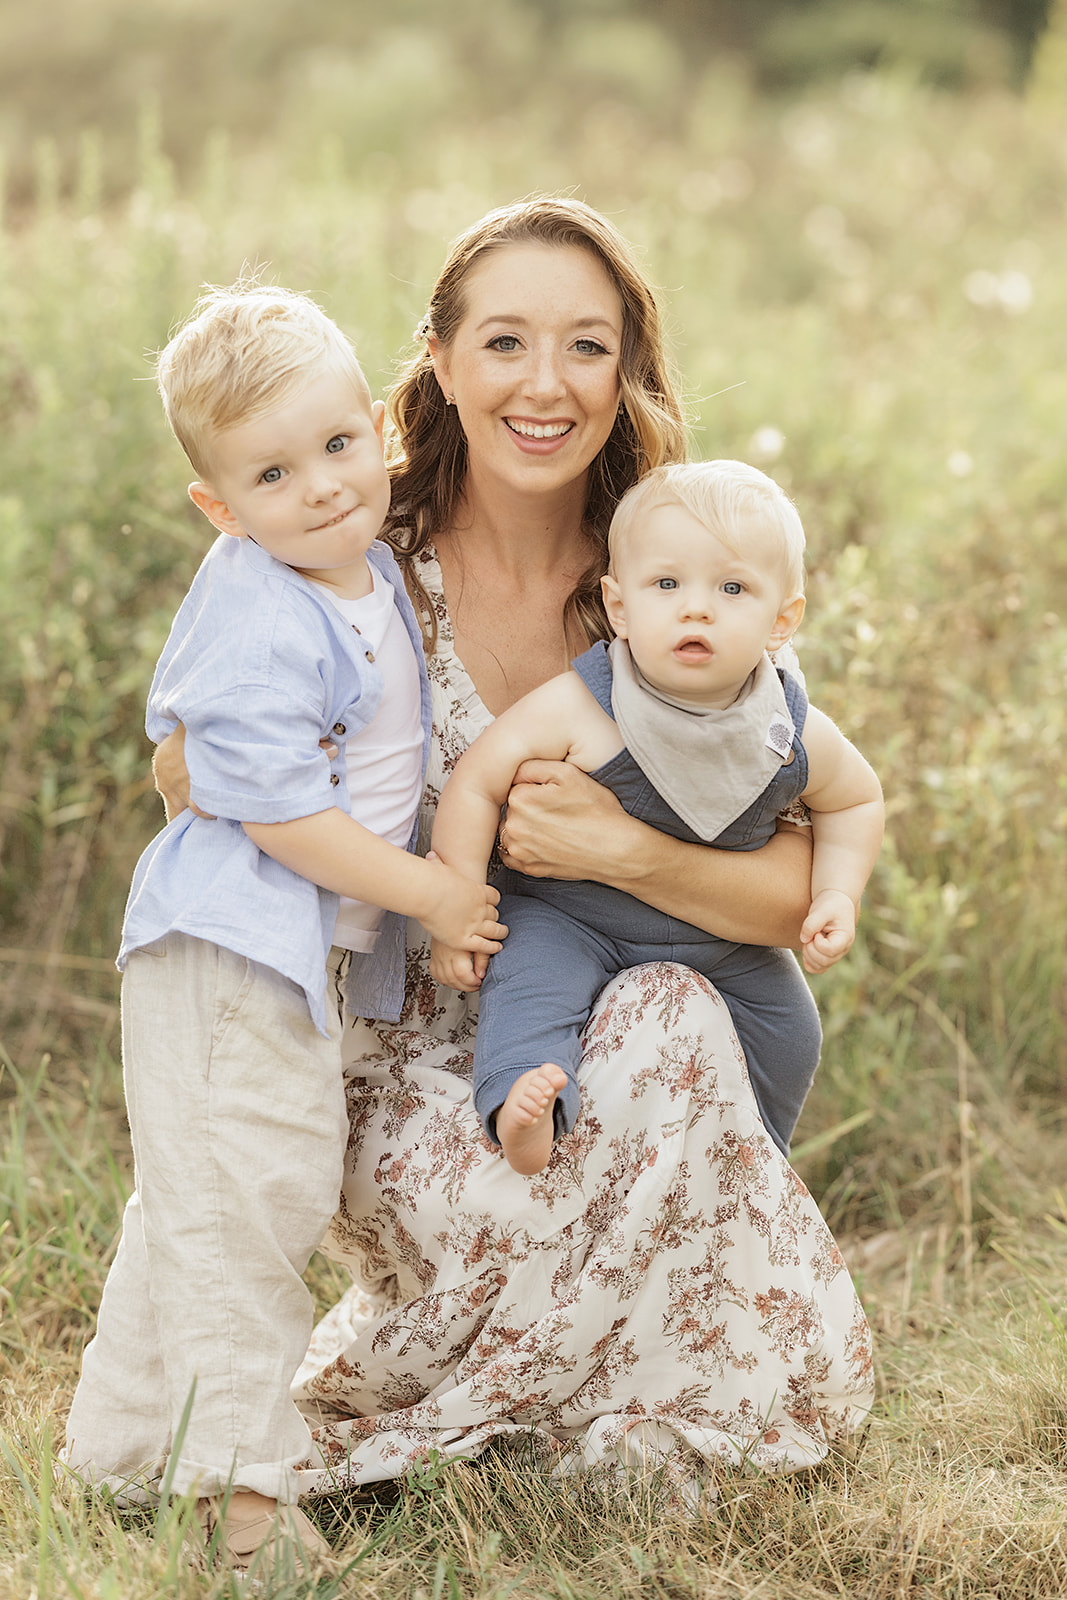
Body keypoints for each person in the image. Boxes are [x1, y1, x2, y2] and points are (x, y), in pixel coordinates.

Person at [154, 200, 875, 1498]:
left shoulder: (678, 572)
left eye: (585, 346)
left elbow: (788, 887)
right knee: (574, 1131)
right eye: (503, 341)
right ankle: (506, 1402)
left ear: (626, 369)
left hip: (628, 1062)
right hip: (401, 1055)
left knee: (669, 1010)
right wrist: (253, 774)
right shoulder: (346, 556)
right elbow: (185, 765)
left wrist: (613, 853)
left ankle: (616, 1413)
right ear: (435, 356)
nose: (544, 384)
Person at [61, 283, 505, 1576]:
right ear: (220, 507)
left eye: (332, 446)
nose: (316, 487)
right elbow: (269, 809)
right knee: (246, 1207)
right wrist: (428, 895)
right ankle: (238, 1500)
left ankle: (122, 1447)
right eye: (269, 471)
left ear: (374, 427)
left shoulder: (359, 569)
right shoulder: (260, 605)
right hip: (227, 953)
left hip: (287, 962)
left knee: (200, 1198)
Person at [429, 459, 884, 1174]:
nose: (695, 609)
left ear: (782, 619)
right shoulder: (586, 702)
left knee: (789, 1026)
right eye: (666, 585)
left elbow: (854, 799)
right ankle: (525, 1105)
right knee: (529, 985)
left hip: (718, 939)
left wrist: (836, 892)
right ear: (618, 606)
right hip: (573, 920)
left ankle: (750, 1162)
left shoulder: (785, 726)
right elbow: (477, 781)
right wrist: (456, 896)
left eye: (731, 588)